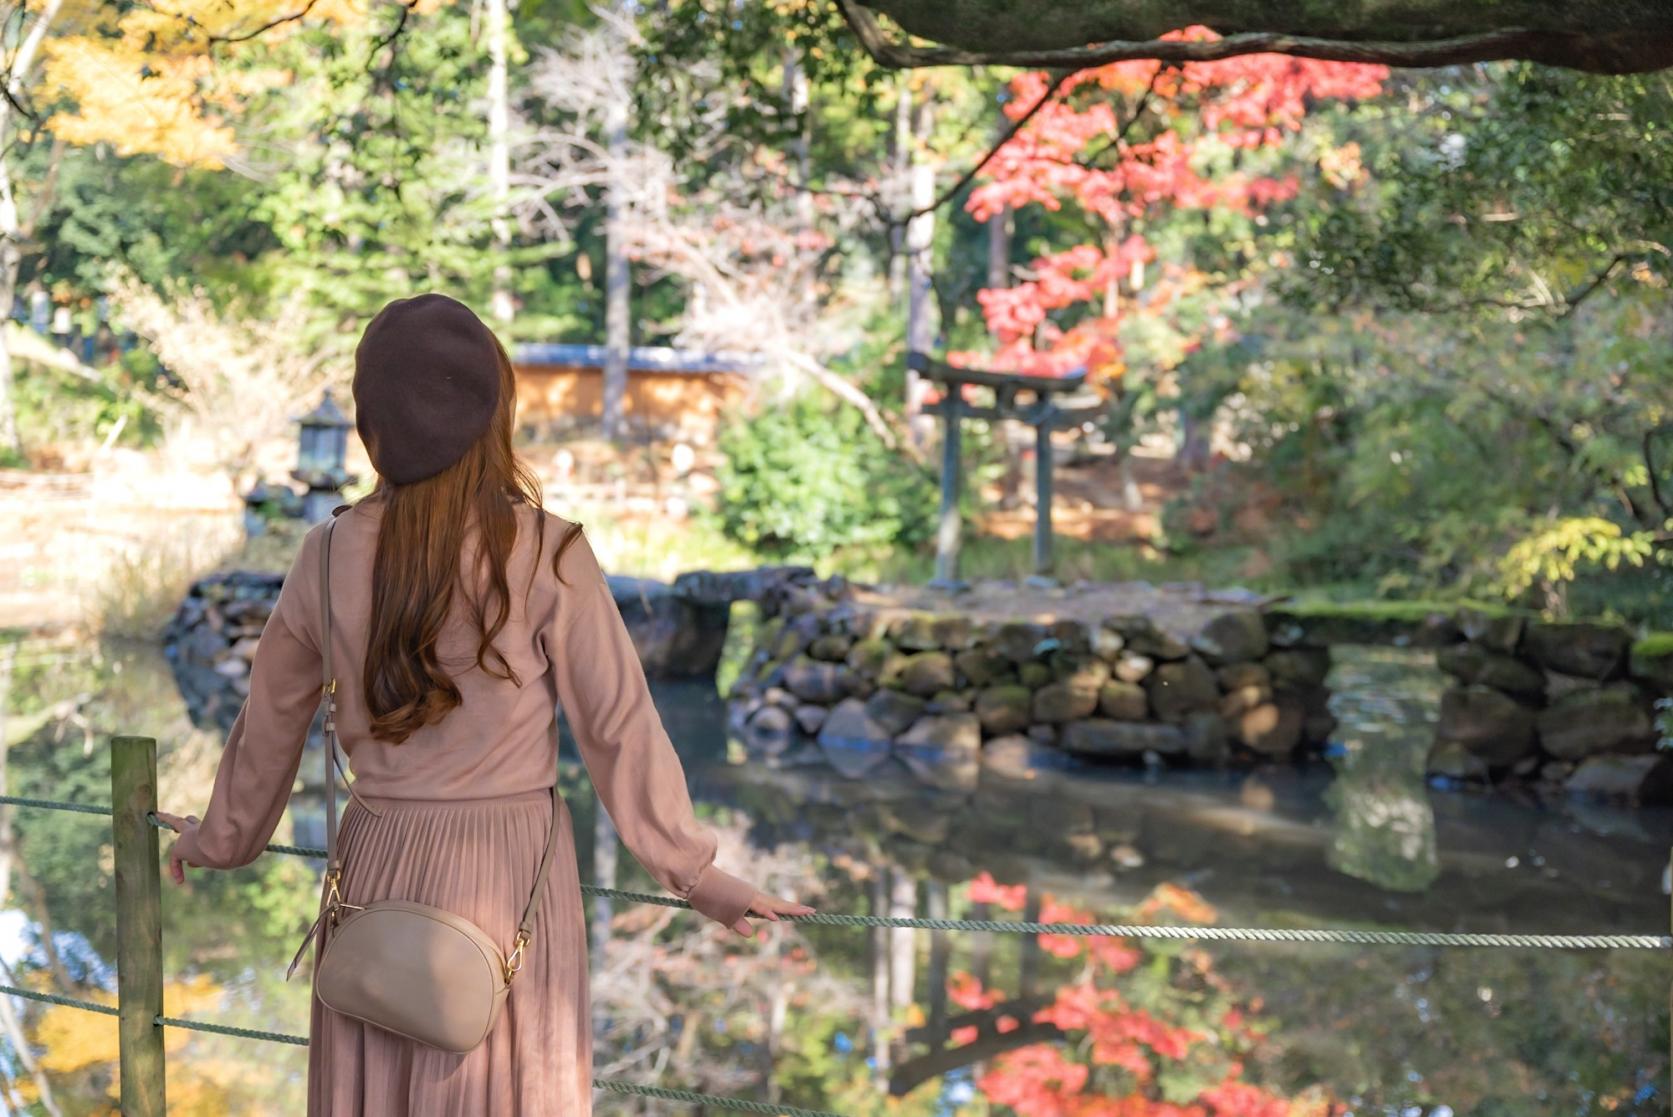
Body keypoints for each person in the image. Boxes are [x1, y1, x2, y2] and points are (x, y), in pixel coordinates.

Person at [156, 292, 813, 1115]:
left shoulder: (325, 553)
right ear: (491, 409)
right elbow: (616, 727)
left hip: (377, 859)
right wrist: (695, 873)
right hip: (509, 873)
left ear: (371, 422)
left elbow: (269, 727)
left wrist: (217, 838)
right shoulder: (547, 550)